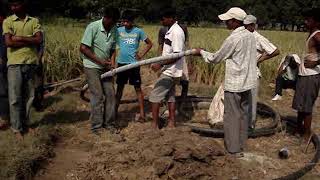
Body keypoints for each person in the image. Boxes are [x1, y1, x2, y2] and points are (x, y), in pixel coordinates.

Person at [195, 7, 257, 156]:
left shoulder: (233, 38)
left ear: (235, 22)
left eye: (228, 21)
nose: (225, 23)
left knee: (231, 116)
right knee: (243, 115)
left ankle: (233, 149)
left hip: (235, 83)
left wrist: (201, 52)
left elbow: (216, 58)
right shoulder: (250, 35)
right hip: (247, 83)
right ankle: (241, 145)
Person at [3, 0, 42, 139]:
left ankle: (25, 125)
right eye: (11, 5)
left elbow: (39, 40)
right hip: (14, 63)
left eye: (16, 5)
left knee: (29, 96)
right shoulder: (8, 21)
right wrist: (29, 39)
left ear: (23, 5)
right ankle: (16, 128)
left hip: (30, 62)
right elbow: (8, 42)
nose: (13, 7)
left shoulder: (34, 21)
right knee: (15, 98)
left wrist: (18, 37)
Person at [80, 7, 120, 135]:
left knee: (110, 94)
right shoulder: (93, 27)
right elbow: (83, 48)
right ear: (105, 18)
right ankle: (96, 127)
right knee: (97, 95)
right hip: (92, 66)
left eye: (115, 23)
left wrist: (112, 64)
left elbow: (113, 48)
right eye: (111, 22)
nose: (113, 25)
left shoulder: (114, 29)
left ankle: (109, 124)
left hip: (106, 67)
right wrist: (99, 61)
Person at [149, 8, 185, 129]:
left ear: (171, 18)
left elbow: (177, 55)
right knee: (170, 97)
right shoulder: (171, 31)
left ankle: (154, 124)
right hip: (171, 70)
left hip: (170, 70)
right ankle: (171, 123)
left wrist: (160, 64)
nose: (162, 21)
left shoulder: (176, 32)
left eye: (163, 18)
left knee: (154, 96)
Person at [115, 11, 153, 122]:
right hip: (121, 64)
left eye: (127, 21)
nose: (125, 23)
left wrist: (141, 54)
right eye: (123, 21)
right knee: (119, 89)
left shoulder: (138, 31)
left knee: (137, 88)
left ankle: (142, 114)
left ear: (132, 22)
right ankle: (114, 112)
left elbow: (150, 44)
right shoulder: (118, 31)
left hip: (134, 64)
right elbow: (112, 44)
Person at [244, 15, 280, 129]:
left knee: (251, 101)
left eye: (248, 26)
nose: (245, 27)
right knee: (243, 101)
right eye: (244, 25)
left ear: (253, 26)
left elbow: (275, 51)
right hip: (243, 72)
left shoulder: (258, 37)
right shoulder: (244, 36)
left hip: (253, 73)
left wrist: (258, 60)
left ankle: (250, 126)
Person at [292, 8, 320, 140]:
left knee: (306, 106)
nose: (305, 22)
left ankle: (306, 134)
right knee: (301, 105)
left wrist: (316, 62)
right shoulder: (312, 34)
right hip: (305, 75)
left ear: (315, 22)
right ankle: (298, 130)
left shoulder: (317, 35)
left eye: (308, 20)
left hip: (311, 75)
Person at [158, 22, 189, 100]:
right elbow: (160, 45)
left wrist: (188, 61)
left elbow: (186, 44)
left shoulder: (182, 28)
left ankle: (181, 105)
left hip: (180, 58)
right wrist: (159, 60)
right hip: (166, 59)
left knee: (185, 82)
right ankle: (167, 102)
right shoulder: (163, 29)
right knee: (167, 82)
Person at [0, 11, 9, 130]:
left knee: (2, 91)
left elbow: (4, 45)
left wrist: (1, 57)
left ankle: (4, 117)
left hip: (3, 63)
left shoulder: (5, 28)